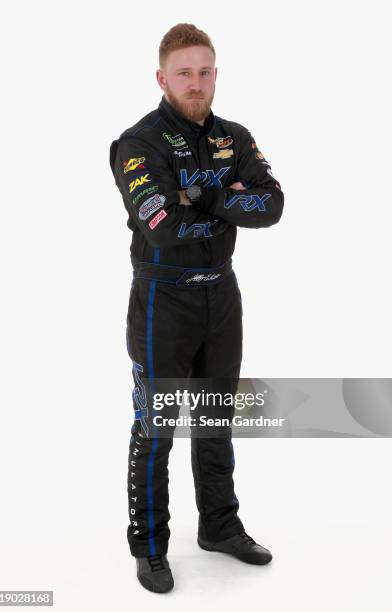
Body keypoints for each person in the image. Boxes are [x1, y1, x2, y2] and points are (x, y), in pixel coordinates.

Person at [109, 23, 284, 593]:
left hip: (222, 295)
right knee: (156, 425)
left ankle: (219, 527)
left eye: (205, 71)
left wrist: (199, 196)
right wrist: (227, 200)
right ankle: (151, 547)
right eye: (184, 73)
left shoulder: (235, 135)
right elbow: (161, 227)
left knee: (215, 419)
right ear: (162, 78)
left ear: (215, 74)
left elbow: (273, 204)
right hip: (164, 296)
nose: (196, 83)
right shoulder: (138, 143)